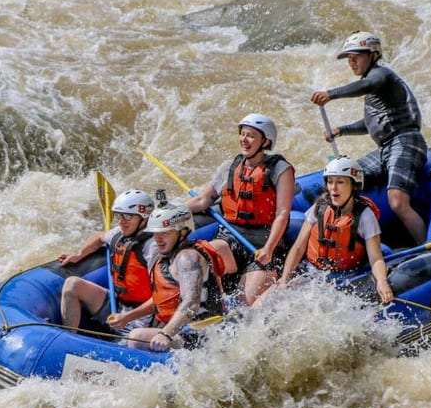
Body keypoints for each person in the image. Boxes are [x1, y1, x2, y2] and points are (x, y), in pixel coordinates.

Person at [310, 31, 428, 245]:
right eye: (349, 58)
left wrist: (331, 94)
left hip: (406, 140)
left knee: (397, 201)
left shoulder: (381, 76)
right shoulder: (374, 87)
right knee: (345, 178)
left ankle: (427, 246)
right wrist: (342, 130)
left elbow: (367, 85)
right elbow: (371, 123)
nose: (351, 62)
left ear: (373, 54)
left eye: (356, 56)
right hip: (386, 148)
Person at [186, 113, 295, 305]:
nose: (244, 139)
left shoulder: (281, 169)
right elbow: (203, 200)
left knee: (249, 300)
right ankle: (212, 306)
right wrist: (171, 213)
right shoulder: (230, 166)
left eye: (251, 135)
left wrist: (268, 248)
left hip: (264, 241)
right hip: (230, 236)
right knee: (204, 254)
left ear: (265, 141)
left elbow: (283, 213)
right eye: (242, 134)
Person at [276, 156, 393, 303]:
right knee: (271, 297)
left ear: (354, 186)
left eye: (340, 182)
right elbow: (299, 247)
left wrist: (382, 281)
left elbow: (375, 258)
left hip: (345, 276)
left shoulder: (365, 217)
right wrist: (284, 279)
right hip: (311, 270)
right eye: (330, 182)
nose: (333, 188)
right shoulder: (319, 207)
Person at [117, 202, 226, 352]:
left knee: (137, 337)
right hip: (183, 329)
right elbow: (162, 300)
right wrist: (127, 317)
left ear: (182, 232)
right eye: (155, 233)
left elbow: (191, 303)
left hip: (204, 333)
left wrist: (166, 334)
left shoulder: (188, 259)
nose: (158, 239)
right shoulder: (166, 258)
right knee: (132, 335)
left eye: (165, 233)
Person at [58, 189, 156, 331]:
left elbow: (165, 296)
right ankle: (68, 338)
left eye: (128, 216)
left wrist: (127, 318)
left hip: (146, 317)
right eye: (119, 215)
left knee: (134, 340)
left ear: (144, 218)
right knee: (72, 284)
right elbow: (99, 237)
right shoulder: (120, 234)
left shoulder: (154, 247)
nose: (121, 222)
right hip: (118, 305)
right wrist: (79, 254)